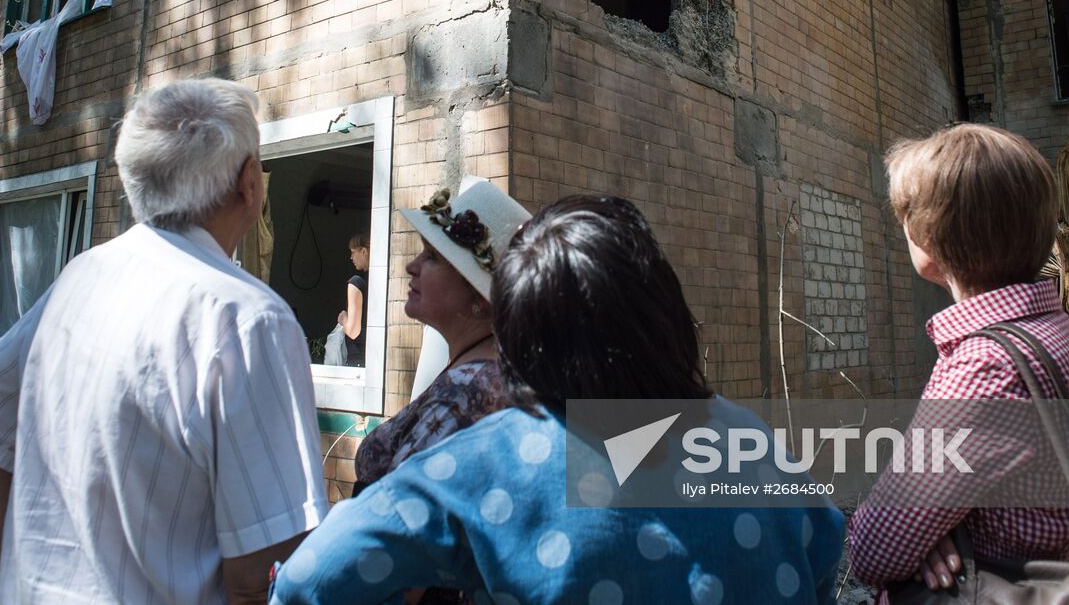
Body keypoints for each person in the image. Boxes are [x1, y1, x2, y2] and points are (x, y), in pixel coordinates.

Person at [269, 195, 844, 604]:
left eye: (436, 255)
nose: (413, 266)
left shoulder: (492, 458)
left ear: (520, 322)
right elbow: (825, 553)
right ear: (664, 309)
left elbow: (310, 580)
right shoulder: (746, 436)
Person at [0, 78, 328, 604]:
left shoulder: (82, 276)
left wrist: (27, 576)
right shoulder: (246, 318)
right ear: (250, 183)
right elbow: (267, 570)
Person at [848, 123, 1069, 594]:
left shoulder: (985, 368)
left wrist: (929, 537)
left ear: (928, 239)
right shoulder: (1060, 333)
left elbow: (874, 551)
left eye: (906, 216)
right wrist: (934, 531)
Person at [350, 178, 527, 497]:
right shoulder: (488, 373)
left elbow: (396, 513)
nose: (410, 266)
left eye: (431, 256)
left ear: (478, 295)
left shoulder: (464, 392)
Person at [338, 233, 369, 367]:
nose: (351, 257)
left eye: (352, 252)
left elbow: (353, 331)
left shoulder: (356, 283)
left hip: (357, 361)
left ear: (364, 251)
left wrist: (343, 317)